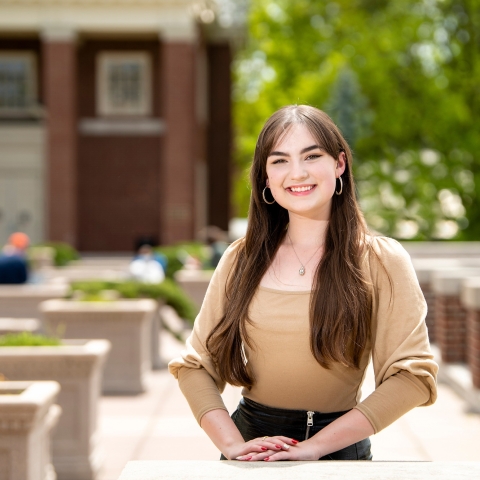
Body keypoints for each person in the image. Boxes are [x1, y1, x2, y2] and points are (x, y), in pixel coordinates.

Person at [168, 105, 438, 462]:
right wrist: (231, 445)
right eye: (279, 161)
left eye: (311, 156)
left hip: (341, 453)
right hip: (253, 454)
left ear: (339, 164)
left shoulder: (381, 261)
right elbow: (195, 365)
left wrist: (313, 449)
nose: (297, 173)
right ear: (264, 177)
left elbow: (413, 377)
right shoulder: (241, 259)